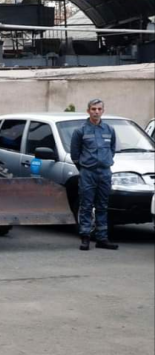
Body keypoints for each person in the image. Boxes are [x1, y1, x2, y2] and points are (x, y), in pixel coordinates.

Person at [70, 99, 119, 251]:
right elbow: (75, 154)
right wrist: (85, 167)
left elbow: (112, 149)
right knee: (86, 205)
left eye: (99, 109)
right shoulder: (81, 131)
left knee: (102, 206)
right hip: (88, 172)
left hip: (104, 172)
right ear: (88, 111)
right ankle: (85, 237)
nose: (96, 112)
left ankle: (102, 238)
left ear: (103, 111)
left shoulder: (109, 130)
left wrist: (105, 162)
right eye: (93, 109)